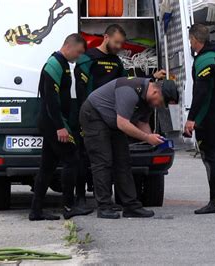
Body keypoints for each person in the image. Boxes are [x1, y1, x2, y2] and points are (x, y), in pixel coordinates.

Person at [74, 24, 166, 206]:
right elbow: (80, 89)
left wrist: (151, 77)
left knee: (121, 159)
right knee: (96, 160)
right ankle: (84, 198)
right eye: (116, 42)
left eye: (121, 43)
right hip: (93, 114)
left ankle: (129, 203)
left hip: (115, 117)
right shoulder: (87, 59)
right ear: (106, 37)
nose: (119, 47)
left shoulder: (117, 62)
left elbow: (131, 84)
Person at [79, 77, 179, 219]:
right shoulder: (130, 90)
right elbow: (123, 124)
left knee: (123, 162)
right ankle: (104, 207)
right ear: (156, 91)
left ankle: (131, 206)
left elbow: (142, 122)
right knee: (103, 162)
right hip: (95, 115)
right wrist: (146, 137)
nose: (158, 106)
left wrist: (153, 140)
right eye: (161, 103)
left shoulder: (148, 100)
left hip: (114, 121)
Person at [29, 33, 93, 221]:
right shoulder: (54, 64)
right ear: (69, 46)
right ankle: (68, 206)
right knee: (72, 159)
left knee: (47, 167)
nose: (79, 56)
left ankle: (36, 211)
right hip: (52, 122)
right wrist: (60, 127)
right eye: (79, 52)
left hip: (54, 122)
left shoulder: (64, 64)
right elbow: (50, 98)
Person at [184, 24, 215, 214]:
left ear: (195, 40)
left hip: (208, 116)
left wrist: (191, 118)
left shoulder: (204, 61)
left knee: (210, 158)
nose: (190, 44)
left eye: (191, 41)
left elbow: (201, 94)